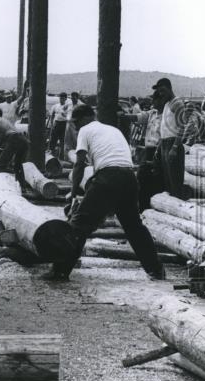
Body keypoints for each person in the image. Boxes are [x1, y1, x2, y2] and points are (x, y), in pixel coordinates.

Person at [53, 104, 165, 281]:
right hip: (129, 177)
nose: (74, 126)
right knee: (134, 227)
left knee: (79, 225)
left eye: (75, 122)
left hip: (108, 177)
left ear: (86, 118)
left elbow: (80, 164)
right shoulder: (112, 130)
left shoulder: (85, 130)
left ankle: (59, 270)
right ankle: (156, 269)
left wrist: (73, 194)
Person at [153, 77, 186, 199]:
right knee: (167, 180)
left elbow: (182, 126)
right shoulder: (166, 104)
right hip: (165, 143)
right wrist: (159, 148)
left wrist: (175, 147)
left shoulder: (177, 103)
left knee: (175, 181)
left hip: (173, 143)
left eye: (162, 90)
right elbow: (164, 128)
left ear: (169, 88)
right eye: (159, 92)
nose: (161, 94)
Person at [0, 107, 29, 184]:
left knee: (0, 167)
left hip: (14, 138)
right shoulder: (5, 121)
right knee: (17, 167)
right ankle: (22, 185)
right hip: (24, 140)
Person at [49, 92, 73, 158]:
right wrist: (51, 124)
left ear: (65, 99)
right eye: (60, 98)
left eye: (63, 98)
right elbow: (52, 115)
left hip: (64, 123)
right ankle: (52, 155)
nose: (61, 99)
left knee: (63, 140)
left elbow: (69, 116)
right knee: (53, 139)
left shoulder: (68, 106)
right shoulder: (55, 106)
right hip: (56, 123)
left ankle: (61, 156)